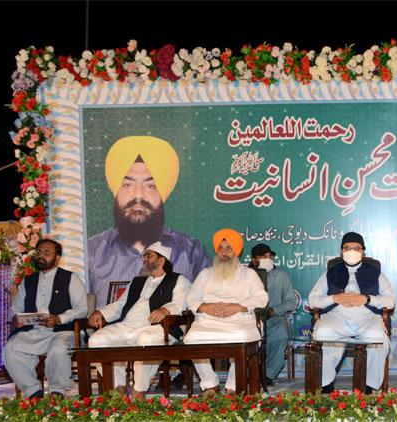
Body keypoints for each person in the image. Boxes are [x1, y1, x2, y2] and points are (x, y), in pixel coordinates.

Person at [87, 136, 210, 309]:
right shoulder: (92, 252)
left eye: (150, 186)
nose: (138, 196)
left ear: (163, 193)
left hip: (164, 332)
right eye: (128, 185)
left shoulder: (191, 252)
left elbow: (203, 306)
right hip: (116, 331)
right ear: (116, 191)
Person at [86, 242, 190, 398]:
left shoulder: (178, 280)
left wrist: (165, 310)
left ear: (161, 260)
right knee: (96, 341)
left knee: (146, 339)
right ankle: (119, 387)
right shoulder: (137, 282)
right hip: (127, 326)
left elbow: (182, 302)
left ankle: (139, 390)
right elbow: (120, 305)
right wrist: (101, 312)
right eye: (144, 256)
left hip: (157, 328)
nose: (144, 259)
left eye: (149, 256)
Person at [308, 232, 397, 394]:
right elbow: (313, 300)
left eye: (356, 248)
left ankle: (368, 386)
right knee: (322, 332)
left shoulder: (375, 273)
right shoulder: (330, 273)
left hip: (367, 316)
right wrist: (334, 298)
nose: (351, 251)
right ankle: (325, 383)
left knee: (376, 335)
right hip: (336, 316)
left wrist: (367, 299)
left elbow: (391, 301)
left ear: (363, 251)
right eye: (347, 247)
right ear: (341, 251)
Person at [184, 228, 268, 395]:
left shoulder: (248, 274)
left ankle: (233, 386)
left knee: (241, 339)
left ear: (236, 251)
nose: (224, 253)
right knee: (192, 339)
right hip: (208, 320)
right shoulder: (206, 273)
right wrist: (204, 307)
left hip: (239, 320)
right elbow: (191, 298)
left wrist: (238, 307)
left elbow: (261, 298)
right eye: (220, 248)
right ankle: (209, 385)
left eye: (229, 248)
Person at [3, 239, 88, 399]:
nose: (41, 256)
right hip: (34, 332)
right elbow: (16, 307)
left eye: (47, 253)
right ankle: (34, 393)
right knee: (10, 349)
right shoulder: (28, 281)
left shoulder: (71, 278)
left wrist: (59, 318)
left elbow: (82, 309)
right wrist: (16, 318)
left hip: (62, 331)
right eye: (39, 252)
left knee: (58, 348)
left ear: (57, 258)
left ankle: (57, 392)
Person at [248, 243, 296, 384]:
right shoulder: (246, 275)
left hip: (274, 319)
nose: (267, 259)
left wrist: (275, 310)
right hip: (250, 319)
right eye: (262, 257)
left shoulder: (282, 276)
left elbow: (291, 302)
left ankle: (267, 375)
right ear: (254, 260)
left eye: (269, 256)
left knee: (281, 333)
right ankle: (249, 373)